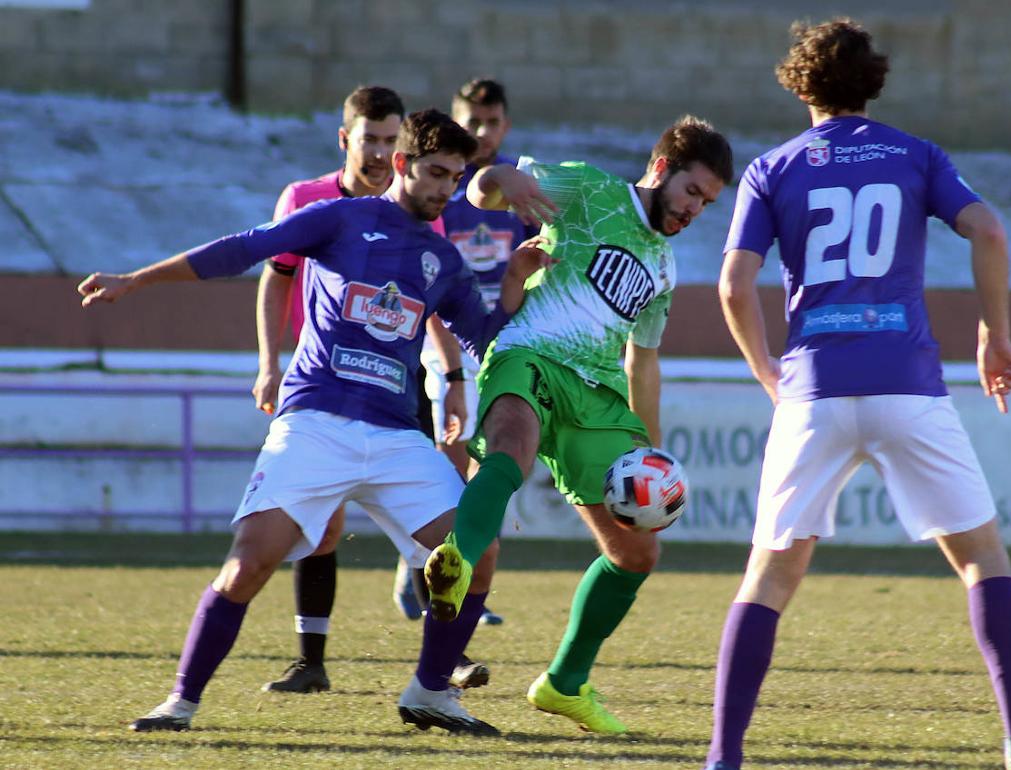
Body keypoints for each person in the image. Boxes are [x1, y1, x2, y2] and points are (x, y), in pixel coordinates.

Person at [702, 20, 1011, 770]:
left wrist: (768, 374)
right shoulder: (916, 155)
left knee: (771, 572)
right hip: (907, 383)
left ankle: (724, 757)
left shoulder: (772, 168)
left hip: (814, 389)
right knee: (982, 556)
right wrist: (996, 333)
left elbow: (733, 284)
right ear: (874, 82)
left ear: (799, 84)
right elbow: (987, 231)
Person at [79, 109, 550, 735]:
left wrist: (519, 276)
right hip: (316, 421)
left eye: (456, 176)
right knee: (248, 564)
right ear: (403, 164)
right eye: (436, 172)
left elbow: (490, 338)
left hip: (396, 436)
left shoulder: (443, 258)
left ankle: (431, 692)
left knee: (478, 550)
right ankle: (181, 703)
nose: (445, 188)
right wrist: (137, 280)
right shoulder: (341, 217)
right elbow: (242, 249)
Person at [414, 115, 734, 734]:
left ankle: (564, 684)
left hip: (600, 396)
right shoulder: (592, 191)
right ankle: (455, 560)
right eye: (693, 191)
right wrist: (501, 179)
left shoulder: (664, 266)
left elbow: (643, 362)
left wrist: (653, 447)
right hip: (532, 353)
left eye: (708, 202)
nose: (697, 208)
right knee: (512, 442)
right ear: (662, 170)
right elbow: (484, 188)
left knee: (636, 551)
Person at [251, 86, 488, 695]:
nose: (380, 152)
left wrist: (451, 376)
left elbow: (431, 294)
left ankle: (443, 661)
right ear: (345, 138)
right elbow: (274, 280)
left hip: (394, 373)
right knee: (322, 526)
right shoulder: (308, 199)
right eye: (371, 140)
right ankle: (312, 656)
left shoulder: (420, 205)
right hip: (321, 381)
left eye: (390, 140)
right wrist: (268, 362)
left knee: (431, 514)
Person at [391, 77, 537, 627]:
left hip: (500, 337)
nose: (483, 133)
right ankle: (427, 574)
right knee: (451, 468)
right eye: (473, 123)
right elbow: (427, 279)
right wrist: (449, 365)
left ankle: (463, 576)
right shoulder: (443, 192)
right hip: (447, 342)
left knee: (489, 469)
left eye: (492, 123)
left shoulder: (516, 193)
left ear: (506, 125)